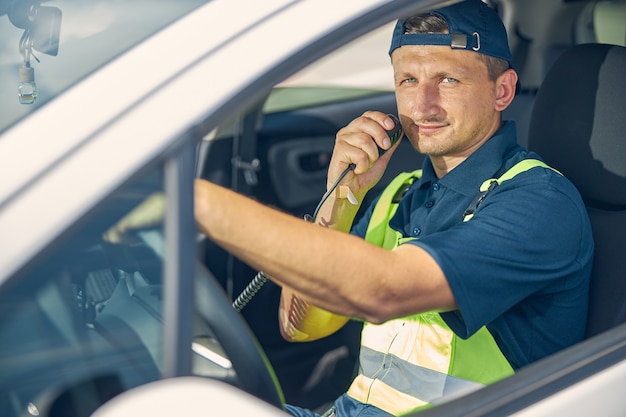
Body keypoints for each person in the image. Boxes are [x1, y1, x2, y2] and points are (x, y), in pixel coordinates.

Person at [108, 1, 593, 416]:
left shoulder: (540, 202)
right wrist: (342, 197)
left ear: (503, 91)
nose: (422, 106)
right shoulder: (400, 190)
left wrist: (196, 202)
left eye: (447, 79)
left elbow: (382, 289)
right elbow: (299, 327)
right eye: (407, 80)